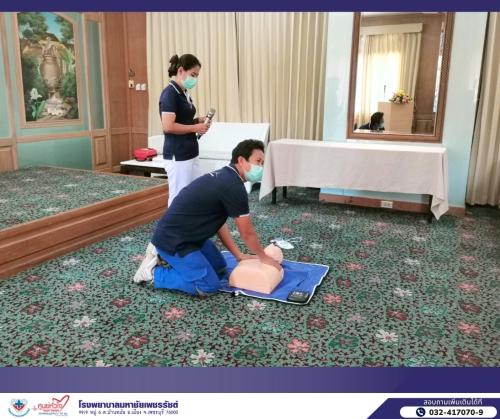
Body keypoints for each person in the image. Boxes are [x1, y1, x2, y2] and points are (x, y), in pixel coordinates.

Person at [133, 139, 282, 296]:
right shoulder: (233, 186)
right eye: (258, 161)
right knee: (208, 286)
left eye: (262, 163)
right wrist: (263, 257)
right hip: (175, 241)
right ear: (241, 160)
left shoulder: (226, 176)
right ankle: (152, 273)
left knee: (220, 269)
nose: (261, 167)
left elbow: (219, 223)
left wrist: (238, 255)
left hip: (190, 236)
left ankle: (169, 259)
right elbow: (247, 233)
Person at [159, 53, 211, 206]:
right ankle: (173, 222)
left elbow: (183, 121)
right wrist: (195, 127)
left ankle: (191, 220)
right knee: (178, 197)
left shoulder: (184, 93)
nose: (195, 79)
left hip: (190, 151)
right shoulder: (170, 94)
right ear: (181, 70)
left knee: (195, 192)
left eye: (197, 76)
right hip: (178, 153)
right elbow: (168, 126)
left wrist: (197, 121)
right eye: (193, 75)